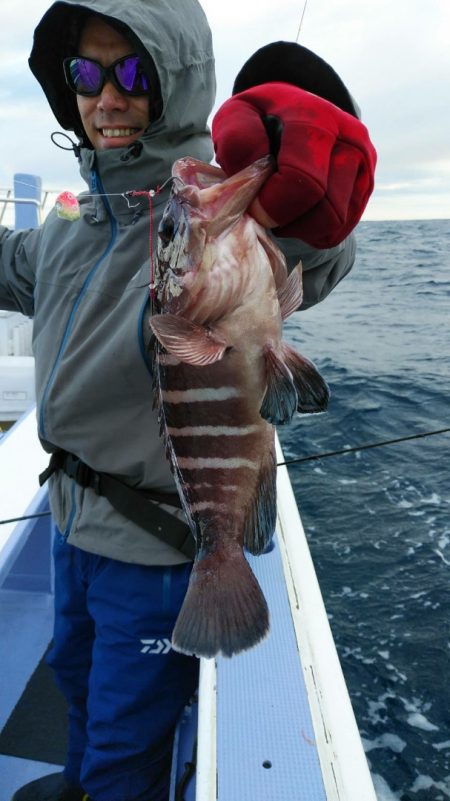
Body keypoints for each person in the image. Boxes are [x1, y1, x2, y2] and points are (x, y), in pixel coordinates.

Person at [1, 1, 376, 800]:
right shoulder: (65, 233)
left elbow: (319, 247)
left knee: (123, 743)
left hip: (157, 544)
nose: (108, 97)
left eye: (133, 73)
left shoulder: (221, 217)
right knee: (73, 680)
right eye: (86, 74)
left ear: (174, 82)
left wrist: (321, 173)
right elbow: (8, 261)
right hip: (68, 521)